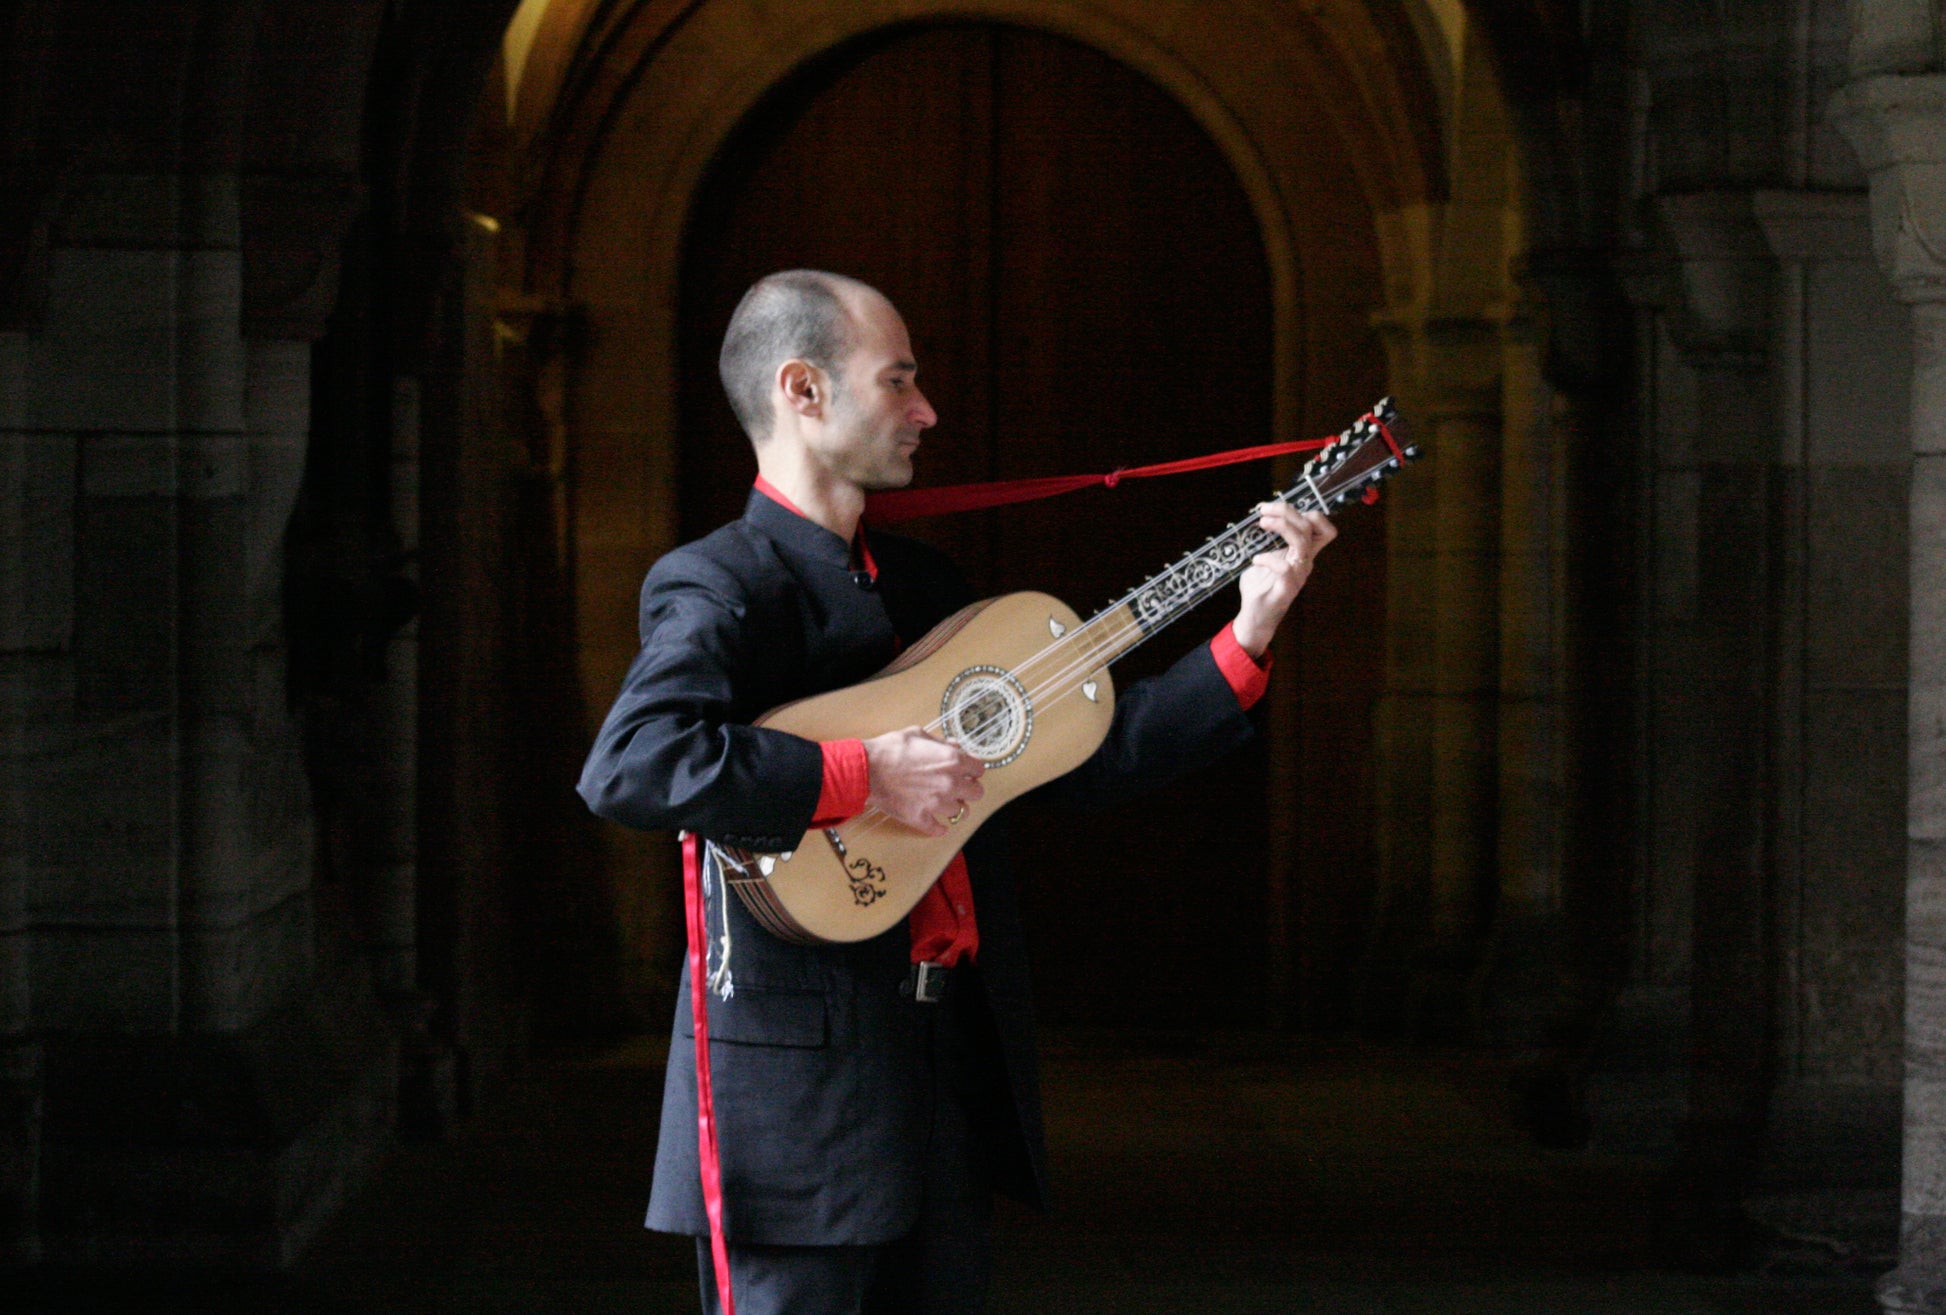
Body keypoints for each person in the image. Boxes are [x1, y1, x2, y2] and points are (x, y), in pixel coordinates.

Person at [577, 270, 1335, 1314]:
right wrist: (859, 772)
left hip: (941, 1070)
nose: (926, 410)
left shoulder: (925, 587)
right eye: (898, 380)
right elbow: (632, 763)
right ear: (802, 390)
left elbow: (1078, 765)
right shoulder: (721, 581)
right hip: (795, 1105)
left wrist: (1247, 630)